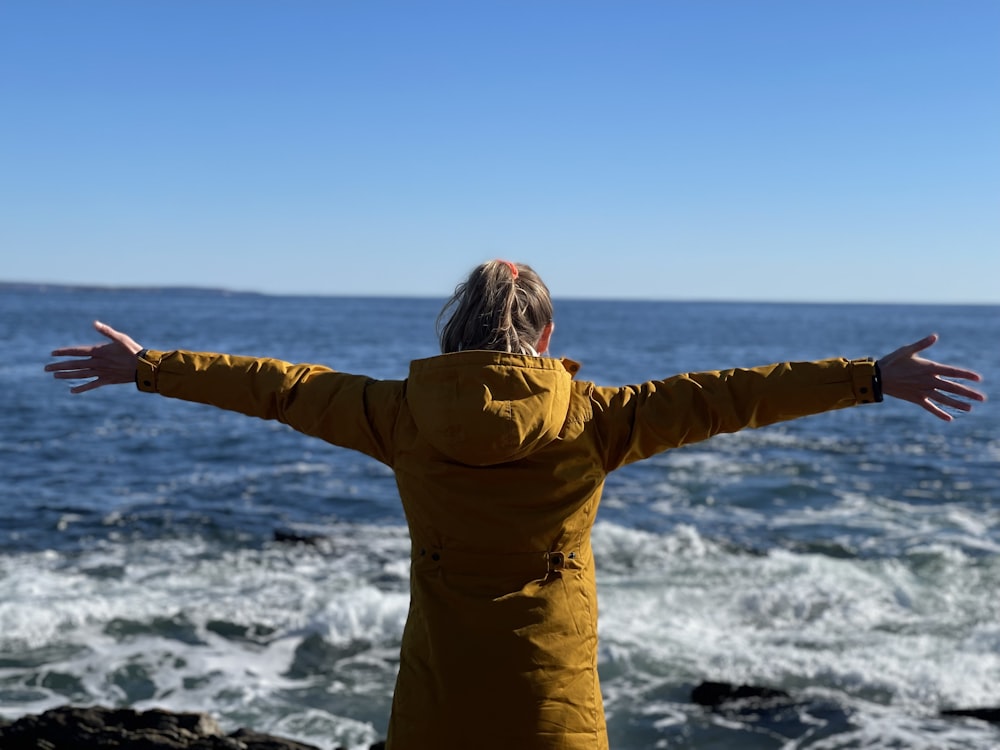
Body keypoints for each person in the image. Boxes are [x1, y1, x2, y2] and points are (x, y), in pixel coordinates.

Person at [46, 260, 985, 750]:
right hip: (553, 711)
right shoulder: (598, 418)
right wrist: (868, 377)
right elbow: (733, 393)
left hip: (437, 709)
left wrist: (150, 368)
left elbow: (280, 386)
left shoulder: (398, 414)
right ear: (548, 336)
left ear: (449, 333)